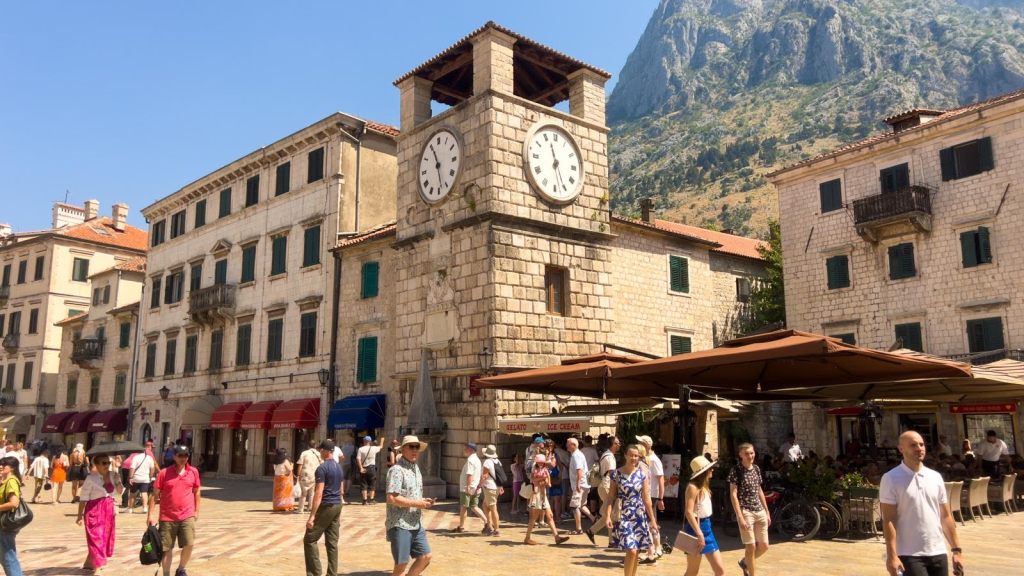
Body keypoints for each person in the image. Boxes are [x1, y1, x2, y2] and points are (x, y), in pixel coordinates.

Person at [880, 431, 964, 576]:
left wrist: (956, 550)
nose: (919, 448)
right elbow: (889, 520)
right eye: (913, 445)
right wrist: (892, 556)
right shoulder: (891, 479)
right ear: (901, 449)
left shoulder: (935, 477)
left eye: (921, 444)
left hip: (938, 551)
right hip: (908, 553)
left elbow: (945, 516)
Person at [147, 445, 201, 576]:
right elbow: (155, 495)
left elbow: (197, 491)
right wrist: (150, 515)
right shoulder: (164, 473)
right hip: (167, 517)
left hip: (187, 515)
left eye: (186, 456)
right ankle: (166, 573)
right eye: (180, 455)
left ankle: (181, 569)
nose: (183, 458)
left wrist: (197, 510)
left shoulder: (193, 472)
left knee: (189, 543)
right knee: (167, 548)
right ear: (174, 456)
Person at [606, 444, 657, 576]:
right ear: (625, 455)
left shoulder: (642, 475)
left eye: (636, 456)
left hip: (639, 515)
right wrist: (607, 516)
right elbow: (610, 498)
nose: (634, 458)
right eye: (631, 455)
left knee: (637, 552)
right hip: (623, 514)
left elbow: (646, 499)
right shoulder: (616, 474)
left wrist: (653, 521)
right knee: (632, 550)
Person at [385, 436, 434, 576]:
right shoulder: (396, 470)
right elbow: (391, 498)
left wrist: (423, 500)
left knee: (425, 556)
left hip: (416, 522)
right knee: (401, 564)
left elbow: (411, 494)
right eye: (411, 447)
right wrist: (418, 503)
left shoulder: (416, 468)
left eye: (417, 447)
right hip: (400, 523)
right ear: (403, 449)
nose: (415, 450)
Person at [729, 443, 770, 576]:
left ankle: (745, 562)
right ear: (740, 455)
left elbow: (759, 490)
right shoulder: (736, 470)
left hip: (759, 510)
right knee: (751, 547)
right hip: (746, 511)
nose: (750, 456)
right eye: (746, 453)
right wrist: (739, 516)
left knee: (764, 546)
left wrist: (767, 511)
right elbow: (733, 494)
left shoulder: (757, 469)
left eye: (752, 453)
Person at [304, 440, 343, 576]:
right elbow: (341, 489)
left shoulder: (322, 468)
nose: (320, 452)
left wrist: (312, 516)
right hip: (338, 504)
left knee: (310, 539)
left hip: (327, 505)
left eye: (321, 450)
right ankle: (332, 573)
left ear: (326, 451)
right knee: (332, 543)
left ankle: (315, 573)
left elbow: (319, 492)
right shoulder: (339, 467)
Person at [682, 455, 725, 576]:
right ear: (704, 472)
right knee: (692, 571)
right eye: (710, 469)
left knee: (720, 570)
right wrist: (699, 533)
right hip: (695, 529)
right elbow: (689, 512)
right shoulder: (693, 487)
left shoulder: (704, 486)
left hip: (707, 527)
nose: (712, 470)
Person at [77, 454, 120, 575]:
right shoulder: (91, 478)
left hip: (108, 509)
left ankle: (89, 563)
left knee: (104, 537)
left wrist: (118, 481)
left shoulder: (113, 476)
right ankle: (98, 568)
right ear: (96, 465)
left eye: (108, 463)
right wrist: (79, 516)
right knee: (96, 537)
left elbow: (119, 492)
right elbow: (83, 498)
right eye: (104, 463)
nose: (107, 465)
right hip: (94, 510)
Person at [524, 454, 570, 545]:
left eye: (542, 462)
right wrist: (543, 479)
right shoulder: (535, 468)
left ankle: (557, 537)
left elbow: (548, 483)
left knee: (550, 516)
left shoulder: (545, 469)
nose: (541, 464)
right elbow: (534, 480)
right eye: (539, 462)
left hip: (543, 495)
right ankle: (527, 538)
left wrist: (545, 480)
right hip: (537, 496)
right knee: (534, 517)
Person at [586, 434, 620, 544]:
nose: (619, 445)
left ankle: (592, 531)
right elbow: (612, 474)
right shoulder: (609, 457)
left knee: (607, 513)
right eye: (617, 443)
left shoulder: (607, 454)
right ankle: (612, 541)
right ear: (612, 444)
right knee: (611, 513)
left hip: (604, 485)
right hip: (607, 486)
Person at [637, 435, 664, 564]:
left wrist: (660, 498)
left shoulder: (653, 460)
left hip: (650, 495)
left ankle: (653, 551)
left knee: (649, 523)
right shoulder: (647, 460)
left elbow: (661, 479)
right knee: (650, 523)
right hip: (648, 495)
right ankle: (656, 548)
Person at [454, 442, 488, 533]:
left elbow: (470, 474)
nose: (464, 449)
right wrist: (477, 486)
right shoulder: (477, 460)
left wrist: (468, 487)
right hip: (475, 487)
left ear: (470, 449)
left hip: (467, 487)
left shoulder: (470, 460)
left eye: (466, 448)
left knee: (464, 507)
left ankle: (461, 527)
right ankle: (487, 521)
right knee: (474, 506)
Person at [0, 456, 24, 576]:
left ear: (12, 468)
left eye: (4, 465)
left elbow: (14, 502)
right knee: (6, 556)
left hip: (6, 524)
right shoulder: (6, 481)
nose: (1, 467)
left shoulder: (11, 481)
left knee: (8, 557)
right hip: (4, 523)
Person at [567, 437, 595, 536]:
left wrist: (577, 484)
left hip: (580, 485)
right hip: (584, 484)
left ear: (573, 445)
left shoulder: (576, 456)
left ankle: (578, 529)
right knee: (582, 505)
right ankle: (593, 519)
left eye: (568, 443)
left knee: (575, 506)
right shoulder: (578, 454)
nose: (566, 445)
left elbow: (579, 471)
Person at [479, 444, 503, 537]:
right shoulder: (498, 461)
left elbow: (485, 476)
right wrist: (500, 486)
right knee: (485, 505)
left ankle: (496, 529)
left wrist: (479, 485)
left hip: (489, 487)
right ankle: (489, 525)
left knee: (493, 508)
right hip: (496, 487)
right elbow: (499, 475)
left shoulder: (487, 462)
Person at [126, 446, 157, 514]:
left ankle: (130, 508)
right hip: (145, 479)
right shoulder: (149, 458)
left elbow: (132, 468)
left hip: (136, 478)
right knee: (144, 493)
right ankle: (145, 508)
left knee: (132, 493)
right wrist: (151, 476)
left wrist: (130, 477)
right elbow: (152, 468)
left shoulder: (136, 457)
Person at [295, 440, 322, 515]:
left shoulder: (304, 453)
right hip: (315, 475)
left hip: (305, 474)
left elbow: (300, 464)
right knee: (312, 493)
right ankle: (310, 507)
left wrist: (298, 475)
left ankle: (300, 509)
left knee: (303, 493)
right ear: (315, 446)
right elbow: (321, 464)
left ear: (308, 446)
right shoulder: (318, 454)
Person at [356, 435, 384, 505]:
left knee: (364, 484)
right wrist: (382, 440)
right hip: (371, 468)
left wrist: (361, 468)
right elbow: (381, 447)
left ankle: (365, 500)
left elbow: (358, 459)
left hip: (364, 468)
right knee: (372, 483)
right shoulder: (374, 448)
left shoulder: (360, 449)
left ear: (364, 441)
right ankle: (371, 499)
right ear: (370, 442)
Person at [271, 448, 295, 512]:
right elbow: (290, 469)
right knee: (285, 493)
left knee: (278, 493)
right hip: (285, 479)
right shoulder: (285, 461)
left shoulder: (275, 461)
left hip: (277, 478)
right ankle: (285, 506)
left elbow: (275, 470)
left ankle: (278, 506)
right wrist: (292, 465)